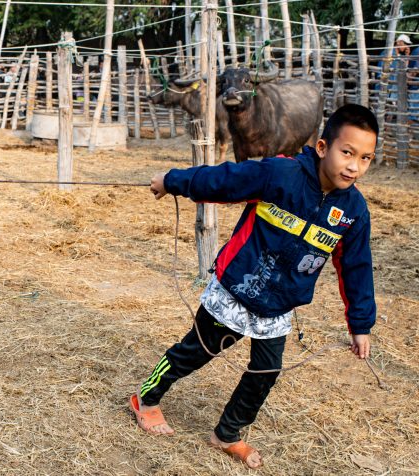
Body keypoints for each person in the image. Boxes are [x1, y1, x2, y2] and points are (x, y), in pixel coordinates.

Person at [129, 104, 379, 469]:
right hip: (236, 289)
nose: (355, 166)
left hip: (278, 304)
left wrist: (360, 324)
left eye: (366, 158)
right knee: (195, 351)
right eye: (347, 152)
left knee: (265, 373)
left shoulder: (354, 211)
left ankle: (227, 433)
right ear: (323, 147)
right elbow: (223, 180)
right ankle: (146, 399)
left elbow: (357, 266)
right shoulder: (280, 173)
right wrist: (172, 181)